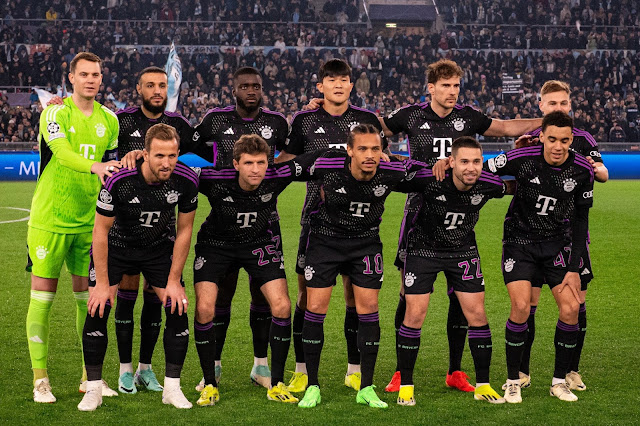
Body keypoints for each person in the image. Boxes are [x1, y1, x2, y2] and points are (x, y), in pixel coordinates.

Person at [277, 59, 386, 394]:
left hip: (360, 224)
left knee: (356, 300)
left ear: (352, 85)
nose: (338, 85)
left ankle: (354, 370)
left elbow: (383, 161)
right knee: (306, 297)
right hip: (316, 222)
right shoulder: (306, 119)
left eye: (344, 79)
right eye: (331, 79)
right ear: (320, 85)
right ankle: (301, 370)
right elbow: (285, 161)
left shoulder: (367, 121)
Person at [77, 123, 198, 411]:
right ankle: (93, 388)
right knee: (98, 305)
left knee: (177, 304)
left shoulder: (186, 180)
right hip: (117, 248)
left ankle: (172, 388)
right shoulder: (120, 179)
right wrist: (103, 284)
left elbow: (184, 231)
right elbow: (100, 232)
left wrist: (174, 279)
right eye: (159, 156)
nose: (166, 162)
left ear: (178, 153)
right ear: (145, 154)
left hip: (156, 251)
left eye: (171, 156)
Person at [193, 135, 319, 406]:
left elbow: (310, 159)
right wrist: (137, 159)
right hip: (216, 245)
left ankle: (275, 383)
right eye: (248, 163)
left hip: (258, 243)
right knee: (205, 308)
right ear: (236, 163)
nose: (255, 169)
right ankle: (210, 384)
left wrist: (347, 152)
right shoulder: (214, 179)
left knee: (282, 306)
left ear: (268, 163)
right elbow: (177, 170)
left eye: (261, 162)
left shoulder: (275, 175)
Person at [297, 124, 417, 409]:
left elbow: (423, 173)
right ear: (349, 150)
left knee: (369, 311)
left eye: (375, 149)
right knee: (315, 309)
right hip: (325, 243)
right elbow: (287, 170)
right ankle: (312, 385)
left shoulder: (391, 172)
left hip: (365, 245)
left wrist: (445, 164)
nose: (369, 155)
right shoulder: (328, 164)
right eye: (362, 148)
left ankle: (366, 387)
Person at [27, 51, 121, 403]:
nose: (91, 80)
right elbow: (62, 152)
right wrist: (96, 166)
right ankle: (40, 380)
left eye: (96, 74)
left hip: (90, 225)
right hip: (50, 220)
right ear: (71, 78)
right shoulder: (54, 112)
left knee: (90, 301)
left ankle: (89, 379)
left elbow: (115, 163)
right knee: (43, 299)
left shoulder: (109, 120)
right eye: (84, 74)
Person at [392, 137, 511, 406]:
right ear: (452, 162)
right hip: (423, 250)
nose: (471, 168)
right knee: (415, 313)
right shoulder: (430, 178)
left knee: (477, 313)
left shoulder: (489, 184)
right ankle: (406, 387)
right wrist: (389, 157)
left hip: (462, 250)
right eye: (465, 161)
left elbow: (516, 186)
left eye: (477, 161)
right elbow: (399, 172)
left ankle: (483, 385)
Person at [506, 80, 608, 392]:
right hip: (530, 235)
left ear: (570, 104)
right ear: (541, 107)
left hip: (570, 236)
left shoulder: (582, 140)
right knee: (529, 303)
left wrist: (593, 166)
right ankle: (521, 370)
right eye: (553, 104)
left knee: (577, 301)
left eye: (563, 103)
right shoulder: (533, 141)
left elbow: (603, 174)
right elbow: (511, 173)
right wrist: (518, 152)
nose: (559, 108)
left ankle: (571, 370)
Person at [485, 111, 594, 403]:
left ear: (572, 140)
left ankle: (559, 382)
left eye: (565, 141)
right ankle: (513, 381)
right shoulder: (522, 158)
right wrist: (501, 187)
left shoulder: (583, 169)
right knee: (521, 306)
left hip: (557, 245)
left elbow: (582, 220)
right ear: (542, 136)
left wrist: (574, 268)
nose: (558, 146)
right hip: (519, 242)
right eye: (552, 139)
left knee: (571, 308)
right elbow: (481, 170)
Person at [193, 66, 289, 390]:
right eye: (245, 86)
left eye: (256, 86)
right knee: (223, 295)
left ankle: (261, 366)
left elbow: (294, 150)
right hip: (224, 219)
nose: (251, 90)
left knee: (263, 296)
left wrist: (274, 173)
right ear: (234, 90)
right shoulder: (216, 120)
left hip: (264, 221)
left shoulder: (277, 122)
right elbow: (189, 143)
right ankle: (215, 365)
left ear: (262, 89)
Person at [113, 66, 202, 395]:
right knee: (127, 295)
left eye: (162, 85)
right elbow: (106, 159)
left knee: (154, 300)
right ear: (138, 88)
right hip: (125, 228)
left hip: (160, 236)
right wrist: (128, 159)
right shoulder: (122, 121)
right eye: (150, 85)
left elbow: (211, 150)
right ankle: (124, 370)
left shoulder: (179, 125)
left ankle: (145, 369)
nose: (156, 90)